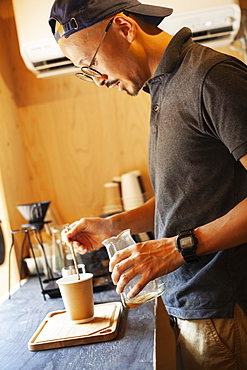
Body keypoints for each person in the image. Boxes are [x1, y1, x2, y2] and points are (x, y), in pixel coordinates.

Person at [49, 1, 247, 368]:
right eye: (86, 73)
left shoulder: (211, 77)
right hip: (194, 309)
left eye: (92, 65)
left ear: (124, 28)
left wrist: (177, 248)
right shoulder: (164, 88)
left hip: (225, 310)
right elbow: (187, 194)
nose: (100, 79)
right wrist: (113, 225)